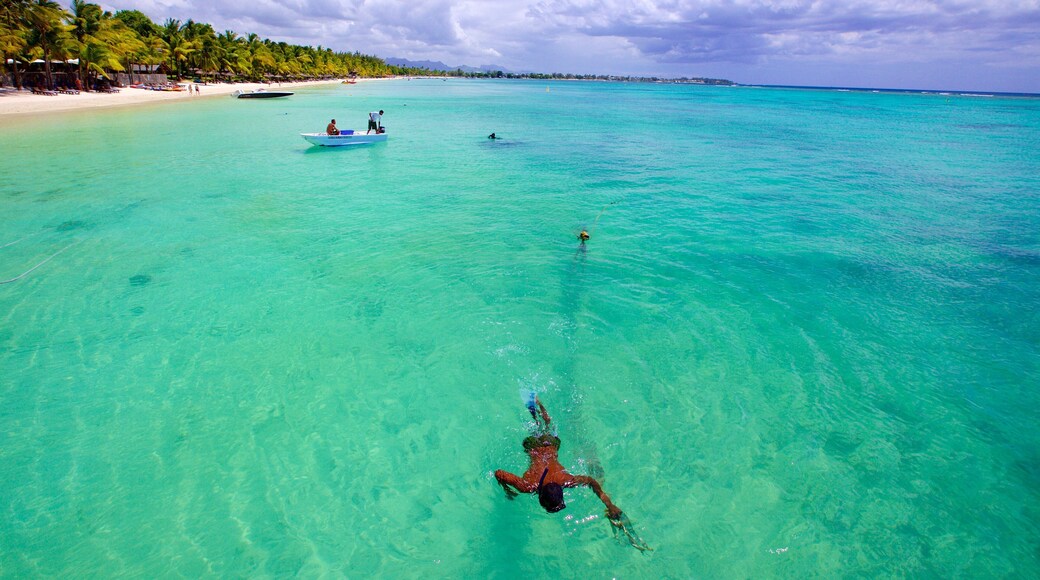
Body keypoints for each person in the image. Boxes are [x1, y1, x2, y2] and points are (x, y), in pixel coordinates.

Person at [494, 396, 622, 518]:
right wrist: (507, 489)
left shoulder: (564, 480)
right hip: (535, 445)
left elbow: (590, 481)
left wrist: (610, 506)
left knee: (545, 424)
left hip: (552, 443)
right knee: (541, 424)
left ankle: (537, 403)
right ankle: (536, 403)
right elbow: (499, 473)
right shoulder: (529, 486)